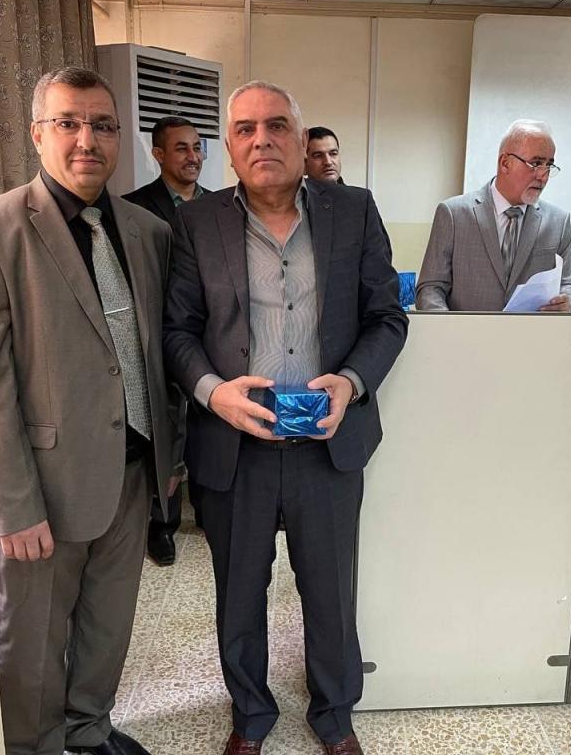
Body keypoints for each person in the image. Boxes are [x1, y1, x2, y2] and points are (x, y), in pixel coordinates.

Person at [163, 81, 407, 755]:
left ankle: (335, 716)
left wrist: (351, 383)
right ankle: (250, 716)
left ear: (301, 141)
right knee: (239, 594)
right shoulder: (197, 222)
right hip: (233, 446)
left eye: (276, 126)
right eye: (245, 129)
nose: (261, 139)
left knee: (330, 594)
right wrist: (213, 392)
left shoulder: (353, 211)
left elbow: (388, 317)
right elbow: (177, 329)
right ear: (229, 148)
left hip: (326, 443)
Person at [0, 66, 173, 755]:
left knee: (108, 625)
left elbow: (153, 352)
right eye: (68, 123)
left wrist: (168, 459)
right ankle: (32, 744)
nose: (87, 140)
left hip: (133, 472)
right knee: (31, 639)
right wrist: (13, 505)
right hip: (44, 488)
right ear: (37, 134)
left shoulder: (146, 231)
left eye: (103, 125)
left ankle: (88, 731)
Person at [124, 115, 210, 563]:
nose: (193, 156)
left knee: (208, 422)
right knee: (166, 427)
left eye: (197, 147)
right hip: (157, 335)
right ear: (158, 154)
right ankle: (162, 524)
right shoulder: (133, 210)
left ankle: (210, 509)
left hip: (210, 335)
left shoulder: (220, 207)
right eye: (181, 148)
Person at [415, 119, 571, 312]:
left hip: (530, 332)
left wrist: (569, 302)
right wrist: (450, 326)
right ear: (505, 163)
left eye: (549, 166)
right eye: (535, 164)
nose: (543, 175)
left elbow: (568, 285)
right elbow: (430, 289)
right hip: (466, 331)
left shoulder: (558, 223)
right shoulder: (454, 214)